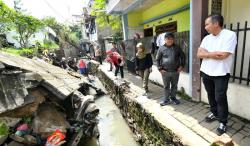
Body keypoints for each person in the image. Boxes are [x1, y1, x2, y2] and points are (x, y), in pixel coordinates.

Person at [197, 14, 237, 135]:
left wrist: (207, 53)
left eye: (207, 24)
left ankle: (223, 122)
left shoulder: (229, 35)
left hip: (221, 73)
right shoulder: (207, 38)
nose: (205, 27)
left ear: (216, 23)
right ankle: (215, 113)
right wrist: (213, 54)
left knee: (220, 97)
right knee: (210, 95)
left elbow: (223, 56)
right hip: (206, 72)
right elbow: (199, 54)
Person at [156, 32, 185, 106]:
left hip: (175, 71)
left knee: (174, 86)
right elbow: (157, 59)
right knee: (166, 86)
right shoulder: (161, 48)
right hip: (165, 71)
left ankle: (173, 98)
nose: (170, 40)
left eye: (171, 39)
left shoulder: (177, 47)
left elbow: (183, 56)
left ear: (173, 39)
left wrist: (181, 66)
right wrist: (160, 69)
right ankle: (166, 100)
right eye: (168, 39)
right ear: (165, 40)